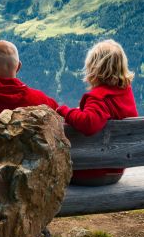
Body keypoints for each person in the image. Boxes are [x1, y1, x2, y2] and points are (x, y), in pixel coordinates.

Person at [57, 39, 138, 186]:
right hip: (115, 170)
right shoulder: (125, 93)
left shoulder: (98, 97)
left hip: (91, 172)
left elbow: (89, 123)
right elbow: (105, 113)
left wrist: (64, 111)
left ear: (94, 68)